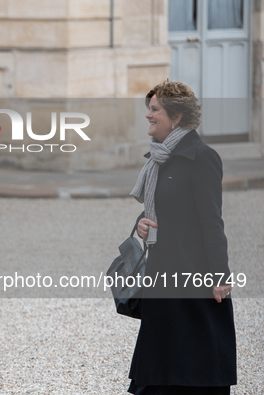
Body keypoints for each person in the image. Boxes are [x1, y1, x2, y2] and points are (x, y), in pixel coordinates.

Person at [127, 80, 236, 394]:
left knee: (195, 372)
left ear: (175, 117)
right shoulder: (160, 159)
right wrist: (141, 224)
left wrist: (221, 275)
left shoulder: (202, 157)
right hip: (162, 280)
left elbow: (212, 222)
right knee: (158, 373)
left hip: (193, 281)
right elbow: (161, 209)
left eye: (154, 109)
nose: (148, 115)